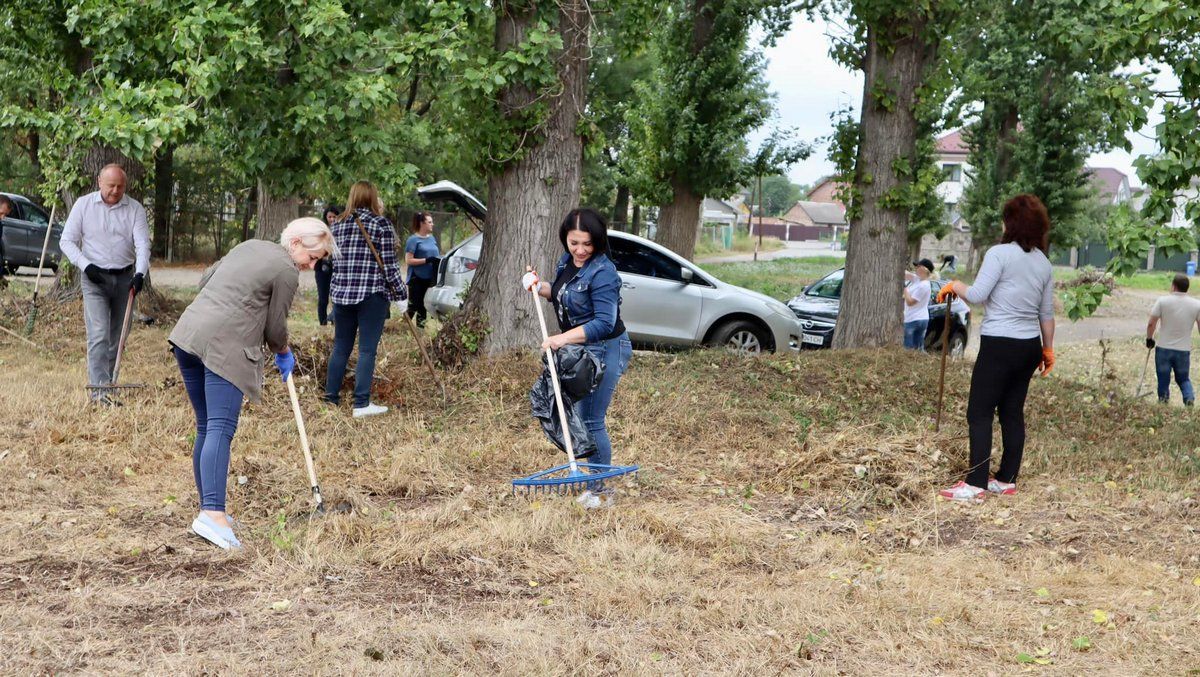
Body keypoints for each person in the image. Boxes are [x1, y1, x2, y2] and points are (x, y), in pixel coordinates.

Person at [168, 217, 339, 549]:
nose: (311, 266)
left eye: (317, 261)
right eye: (312, 257)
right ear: (296, 243)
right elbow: (275, 328)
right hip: (225, 349)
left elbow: (206, 279)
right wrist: (283, 351)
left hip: (189, 335)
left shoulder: (249, 246)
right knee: (219, 427)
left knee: (206, 426)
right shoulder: (286, 270)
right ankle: (213, 514)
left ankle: (209, 509)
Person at [935, 194, 1055, 503]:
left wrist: (954, 285)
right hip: (1029, 346)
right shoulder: (1043, 262)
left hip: (1000, 343)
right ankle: (1006, 479)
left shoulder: (999, 254)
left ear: (1011, 223)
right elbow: (1046, 313)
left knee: (980, 411)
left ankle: (976, 483)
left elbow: (977, 294)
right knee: (1012, 411)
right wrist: (1048, 349)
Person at [521, 208, 632, 509]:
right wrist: (539, 286)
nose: (580, 250)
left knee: (591, 419)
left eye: (587, 244)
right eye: (574, 243)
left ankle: (601, 492)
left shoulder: (604, 272)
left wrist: (561, 339)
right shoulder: (566, 261)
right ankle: (595, 485)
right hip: (580, 350)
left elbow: (604, 323)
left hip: (605, 348)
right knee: (581, 417)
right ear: (565, 239)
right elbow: (561, 293)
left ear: (598, 241)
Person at [59, 164, 151, 402]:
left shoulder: (135, 209)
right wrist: (86, 266)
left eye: (120, 186)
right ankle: (99, 392)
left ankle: (109, 384)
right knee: (99, 334)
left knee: (118, 337)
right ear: (99, 182)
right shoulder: (83, 205)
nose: (115, 191)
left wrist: (140, 273)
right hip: (94, 278)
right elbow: (66, 241)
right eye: (111, 185)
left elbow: (142, 244)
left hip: (125, 278)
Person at [324, 181, 407, 418]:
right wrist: (401, 295)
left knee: (341, 347)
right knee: (367, 350)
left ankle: (330, 399)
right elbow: (389, 266)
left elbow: (332, 261)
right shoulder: (381, 224)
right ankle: (361, 404)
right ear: (372, 197)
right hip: (371, 295)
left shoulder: (336, 225)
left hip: (341, 295)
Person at [1145, 273, 1200, 406]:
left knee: (1163, 378)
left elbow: (1151, 323)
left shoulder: (1162, 301)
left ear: (1173, 286)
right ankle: (1189, 397)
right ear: (1187, 288)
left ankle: (1163, 403)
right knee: (1183, 379)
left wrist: (1149, 338)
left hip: (1163, 348)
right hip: (1183, 350)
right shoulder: (1196, 304)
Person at [404, 211, 441, 327]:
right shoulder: (413, 240)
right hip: (416, 277)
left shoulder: (432, 238)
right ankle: (404, 325)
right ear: (422, 224)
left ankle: (420, 329)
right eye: (429, 222)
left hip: (429, 278)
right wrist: (426, 260)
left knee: (424, 305)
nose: (432, 224)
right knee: (414, 305)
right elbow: (408, 260)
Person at [314, 205, 341, 327]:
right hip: (322, 268)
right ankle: (323, 323)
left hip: (337, 268)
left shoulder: (342, 230)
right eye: (329, 217)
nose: (332, 219)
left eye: (334, 217)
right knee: (323, 298)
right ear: (325, 217)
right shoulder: (320, 231)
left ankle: (335, 320)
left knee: (337, 297)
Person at [902, 258, 934, 351]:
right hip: (920, 318)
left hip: (913, 319)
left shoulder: (924, 285)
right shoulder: (918, 279)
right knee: (918, 348)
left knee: (908, 349)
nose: (916, 268)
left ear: (924, 269)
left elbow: (910, 302)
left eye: (918, 267)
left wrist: (904, 288)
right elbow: (905, 274)